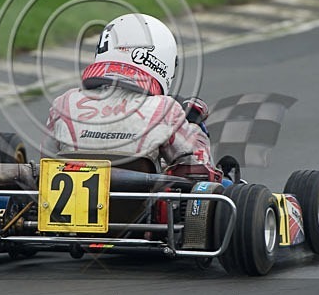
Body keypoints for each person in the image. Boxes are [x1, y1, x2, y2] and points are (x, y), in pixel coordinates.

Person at [44, 13, 220, 180]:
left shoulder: (64, 103)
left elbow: (46, 163)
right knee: (223, 186)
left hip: (67, 208)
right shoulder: (165, 109)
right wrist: (195, 125)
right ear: (161, 60)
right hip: (142, 209)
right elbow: (198, 170)